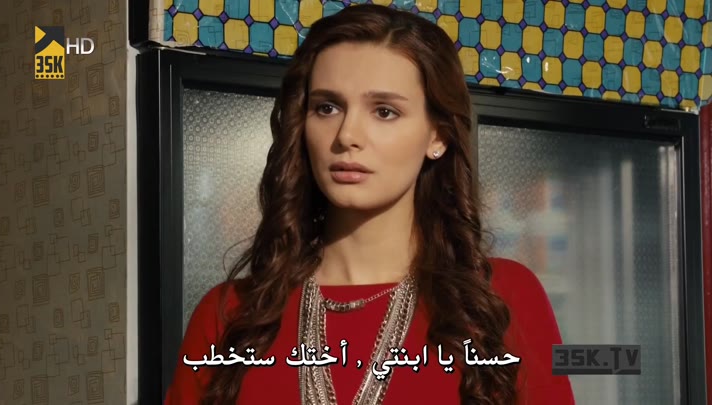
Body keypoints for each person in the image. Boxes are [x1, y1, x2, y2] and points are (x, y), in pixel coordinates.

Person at [165, 4, 574, 405]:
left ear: (438, 136)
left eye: (384, 111)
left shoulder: (502, 299)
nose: (347, 135)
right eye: (327, 107)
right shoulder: (230, 315)